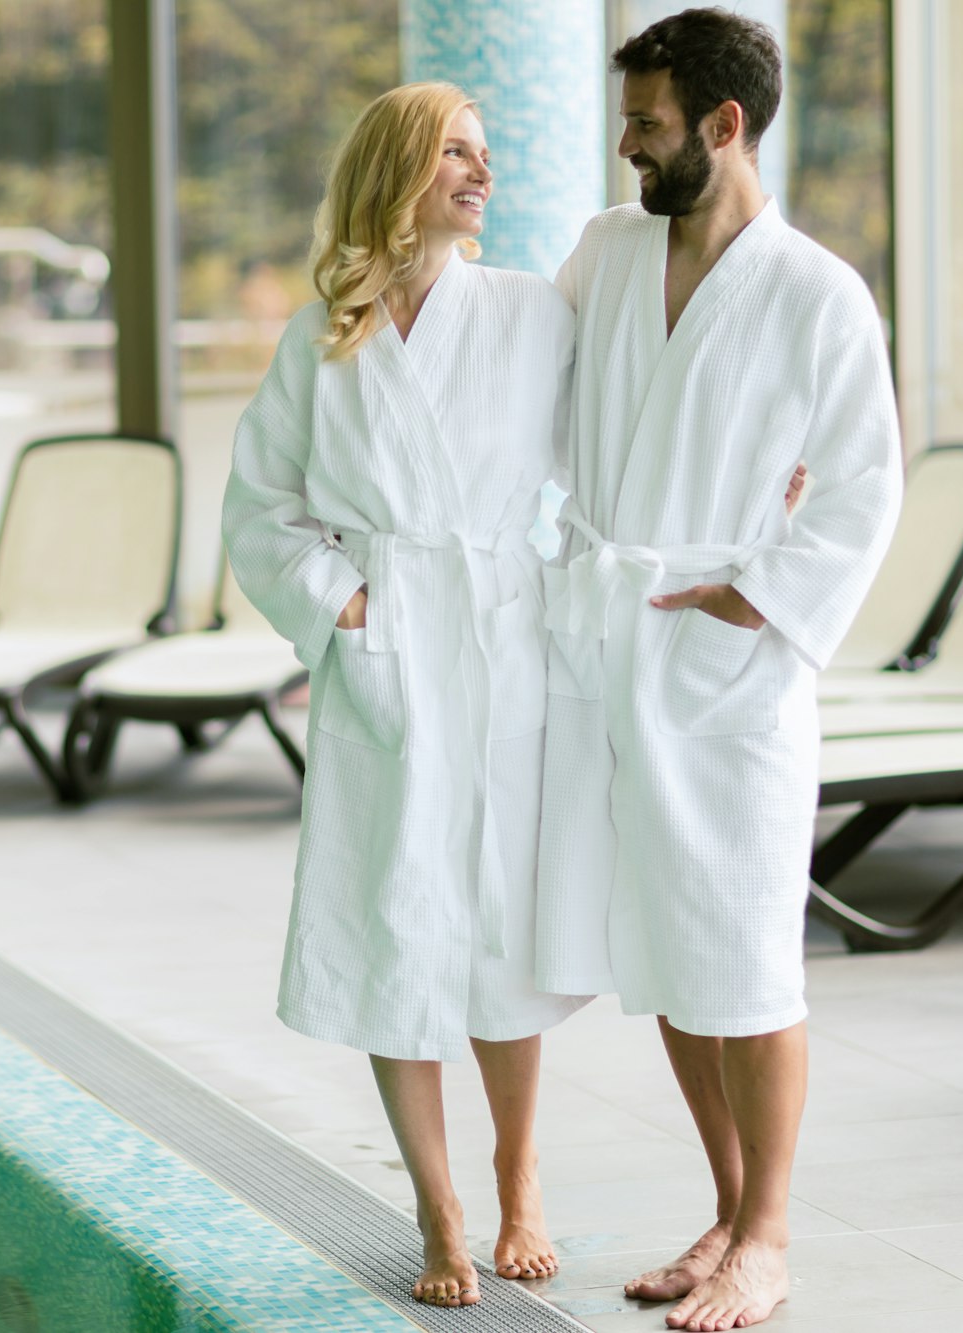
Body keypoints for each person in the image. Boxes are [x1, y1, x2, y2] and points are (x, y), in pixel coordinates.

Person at [535, 10, 903, 1332]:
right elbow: (521, 384)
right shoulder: (606, 255)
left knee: (745, 951)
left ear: (723, 126)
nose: (626, 147)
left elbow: (865, 487)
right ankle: (726, 1207)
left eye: (646, 126)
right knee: (670, 948)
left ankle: (772, 1236)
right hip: (612, 637)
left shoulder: (817, 293)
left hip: (730, 663)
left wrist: (762, 592)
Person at [222, 82, 587, 1308]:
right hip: (386, 650)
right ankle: (436, 1210)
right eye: (453, 153)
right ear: (396, 170)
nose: (479, 173)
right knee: (397, 922)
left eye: (484, 154)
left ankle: (519, 1176)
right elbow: (259, 509)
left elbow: (619, 447)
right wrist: (344, 604)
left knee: (500, 924)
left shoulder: (533, 313)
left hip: (498, 638)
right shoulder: (326, 334)